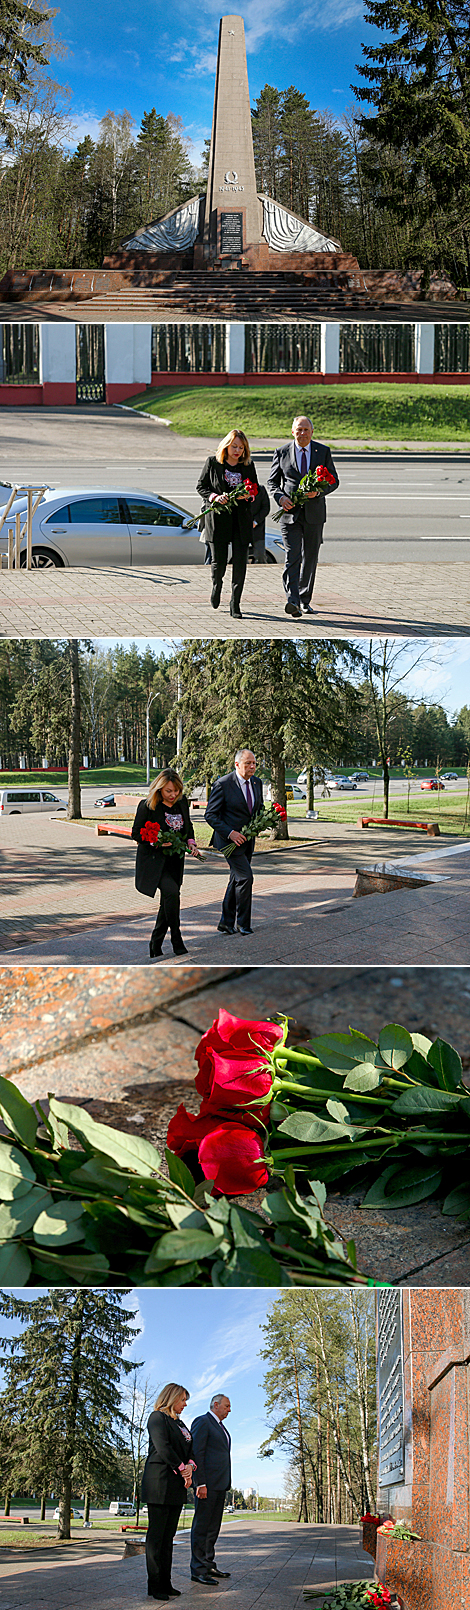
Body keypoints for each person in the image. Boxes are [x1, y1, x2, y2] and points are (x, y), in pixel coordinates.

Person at [268, 414, 339, 618]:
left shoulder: (322, 451)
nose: (302, 433)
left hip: (314, 515)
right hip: (289, 514)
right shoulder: (281, 452)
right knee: (292, 556)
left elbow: (334, 481)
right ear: (292, 432)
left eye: (306, 430)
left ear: (312, 432)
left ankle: (304, 599)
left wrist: (318, 492)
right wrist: (280, 498)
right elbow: (272, 483)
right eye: (298, 429)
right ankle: (293, 600)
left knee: (310, 558)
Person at [131, 768, 201, 959]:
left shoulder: (181, 803)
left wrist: (191, 844)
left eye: (176, 791)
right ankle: (176, 939)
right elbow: (136, 833)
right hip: (154, 863)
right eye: (169, 791)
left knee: (169, 901)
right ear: (159, 789)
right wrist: (156, 842)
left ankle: (155, 942)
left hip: (175, 861)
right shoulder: (147, 806)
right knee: (171, 893)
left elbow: (188, 826)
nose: (173, 795)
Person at [196, 428, 259, 618]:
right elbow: (201, 486)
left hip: (241, 520)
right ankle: (217, 585)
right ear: (226, 446)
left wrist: (248, 495)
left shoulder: (247, 465)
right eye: (234, 446)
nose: (237, 451)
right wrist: (215, 497)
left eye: (241, 447)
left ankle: (235, 603)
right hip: (218, 519)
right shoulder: (213, 463)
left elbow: (255, 489)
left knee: (240, 563)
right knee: (219, 563)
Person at [141, 1382, 195, 1602]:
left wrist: (191, 1466)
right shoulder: (157, 1418)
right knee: (156, 1537)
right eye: (183, 1399)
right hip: (160, 1482)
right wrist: (183, 1469)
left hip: (176, 1484)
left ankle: (166, 1582)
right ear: (171, 1397)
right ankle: (154, 1585)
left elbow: (189, 1449)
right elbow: (163, 1447)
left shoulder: (180, 1424)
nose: (185, 1404)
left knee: (168, 1537)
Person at [204, 748, 263, 935]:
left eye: (254, 763)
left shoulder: (257, 782)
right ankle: (243, 923)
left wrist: (262, 822)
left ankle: (225, 922)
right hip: (229, 842)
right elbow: (210, 815)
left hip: (248, 840)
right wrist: (231, 833)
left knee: (236, 879)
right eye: (248, 763)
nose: (252, 766)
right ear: (237, 764)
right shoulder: (222, 784)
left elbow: (258, 807)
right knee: (246, 877)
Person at [190, 1393, 232, 1585]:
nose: (229, 1410)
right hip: (207, 1485)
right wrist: (200, 1483)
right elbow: (197, 1452)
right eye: (226, 1406)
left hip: (220, 1485)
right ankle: (197, 1569)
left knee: (213, 1528)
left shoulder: (222, 1428)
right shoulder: (203, 1422)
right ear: (215, 1405)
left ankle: (208, 1564)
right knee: (202, 1527)